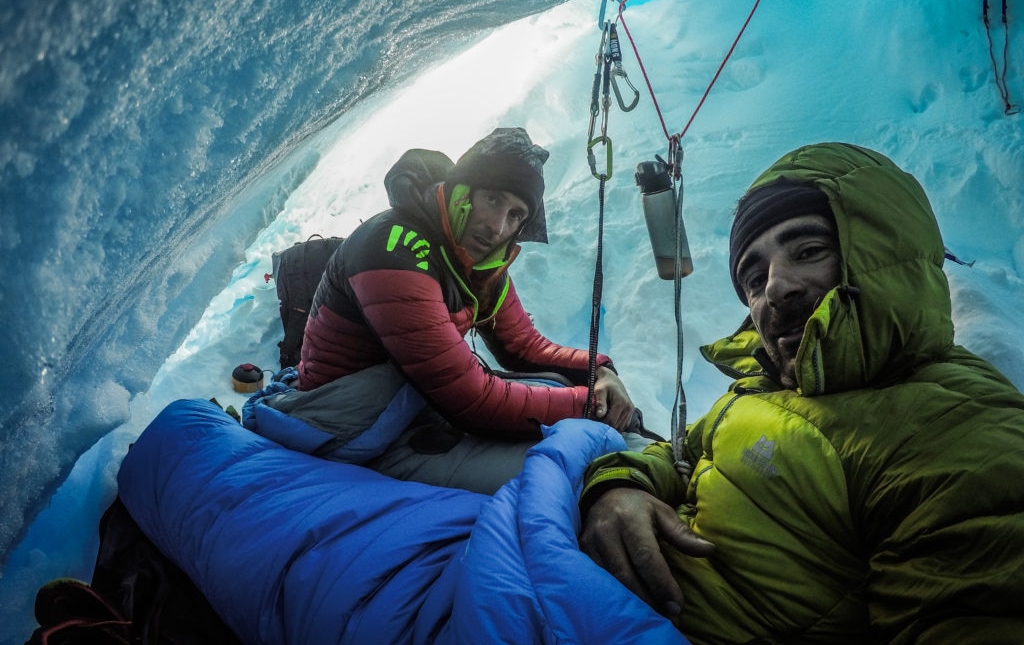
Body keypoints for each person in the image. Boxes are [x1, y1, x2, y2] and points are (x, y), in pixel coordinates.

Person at [579, 142, 1024, 643]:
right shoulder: (767, 385)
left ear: (886, 252)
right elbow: (682, 453)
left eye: (809, 251)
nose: (775, 289)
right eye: (754, 277)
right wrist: (619, 488)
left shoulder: (958, 432)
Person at [283, 126, 648, 493]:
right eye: (491, 199)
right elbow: (471, 398)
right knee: (578, 468)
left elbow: (524, 347)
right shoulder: (393, 248)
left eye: (515, 214)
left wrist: (599, 371)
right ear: (463, 190)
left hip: (410, 403)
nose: (497, 226)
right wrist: (591, 407)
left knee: (563, 390)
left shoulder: (479, 264)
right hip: (350, 425)